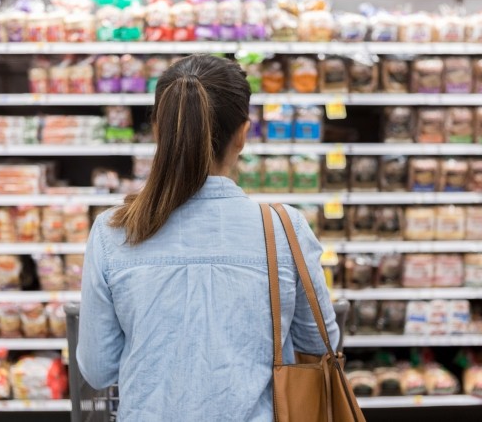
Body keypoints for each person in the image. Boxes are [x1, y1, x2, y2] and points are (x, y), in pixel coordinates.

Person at [77, 54, 339, 421]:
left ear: (159, 131)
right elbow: (321, 342)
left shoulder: (112, 231)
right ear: (244, 135)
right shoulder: (284, 228)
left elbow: (98, 369)